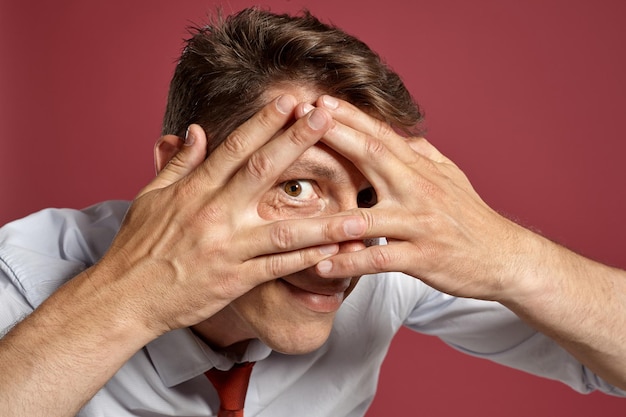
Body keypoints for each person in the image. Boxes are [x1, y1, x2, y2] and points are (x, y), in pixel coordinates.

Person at [0, 7, 625, 417]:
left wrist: (507, 256)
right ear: (176, 170)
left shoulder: (378, 254)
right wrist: (128, 300)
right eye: (297, 187)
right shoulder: (23, 275)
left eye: (368, 192)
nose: (336, 261)